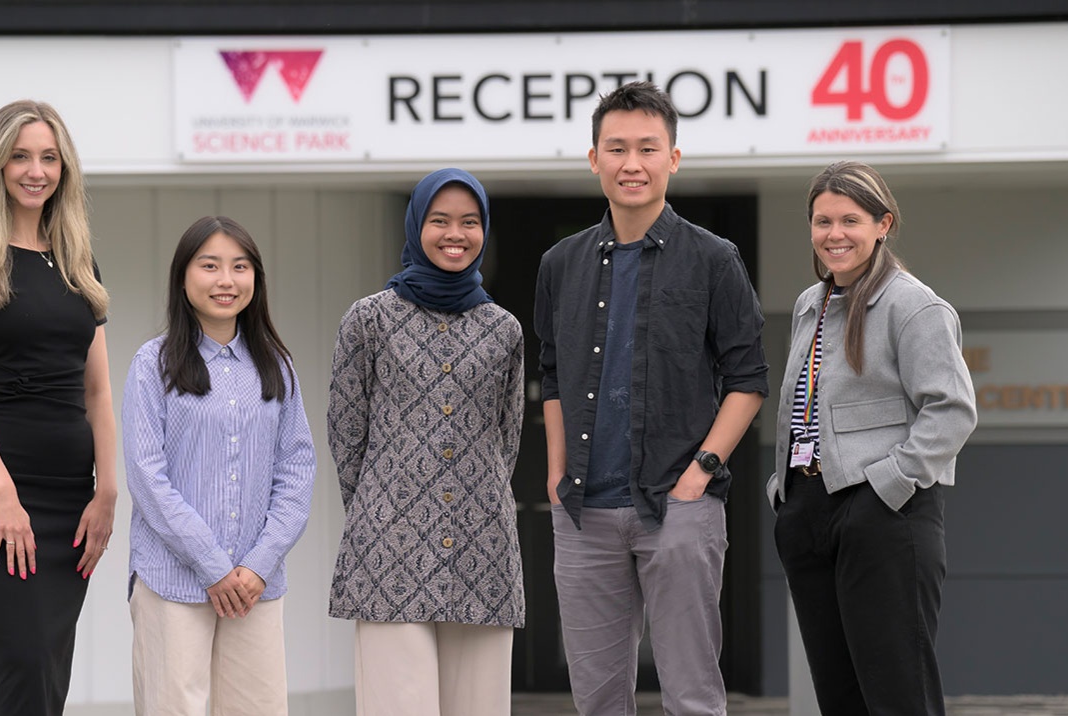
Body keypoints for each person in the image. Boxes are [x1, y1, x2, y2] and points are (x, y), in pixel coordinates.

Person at [534, 80, 769, 715]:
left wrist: (701, 473)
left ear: (673, 158)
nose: (630, 163)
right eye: (616, 148)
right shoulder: (560, 263)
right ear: (593, 159)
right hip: (584, 511)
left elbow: (748, 380)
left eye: (647, 147)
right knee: (598, 701)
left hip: (680, 504)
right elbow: (551, 376)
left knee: (692, 696)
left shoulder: (714, 259)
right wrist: (558, 475)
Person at [767, 161, 976, 716]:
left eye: (850, 220)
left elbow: (952, 411)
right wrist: (784, 491)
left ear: (883, 224)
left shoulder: (914, 305)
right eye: (822, 221)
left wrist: (886, 487)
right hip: (810, 510)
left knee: (899, 697)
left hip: (884, 513)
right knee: (841, 698)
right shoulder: (811, 304)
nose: (834, 234)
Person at [0, 100, 116, 715]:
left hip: (74, 503)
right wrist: (4, 497)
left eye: (48, 157)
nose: (36, 170)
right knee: (25, 666)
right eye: (20, 156)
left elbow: (98, 392)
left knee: (49, 676)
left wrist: (108, 491)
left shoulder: (78, 264)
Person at [327, 168, 526, 716]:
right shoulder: (368, 320)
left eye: (469, 222)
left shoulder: (503, 328)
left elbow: (506, 437)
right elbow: (347, 432)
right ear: (416, 226)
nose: (454, 234)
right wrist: (382, 510)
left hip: (483, 547)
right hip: (389, 550)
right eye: (439, 220)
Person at [122, 216, 316, 716]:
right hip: (173, 582)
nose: (226, 280)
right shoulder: (153, 363)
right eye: (210, 266)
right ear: (183, 278)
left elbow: (296, 471)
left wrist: (255, 565)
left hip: (256, 587)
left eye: (240, 266)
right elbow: (147, 476)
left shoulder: (277, 364)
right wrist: (213, 566)